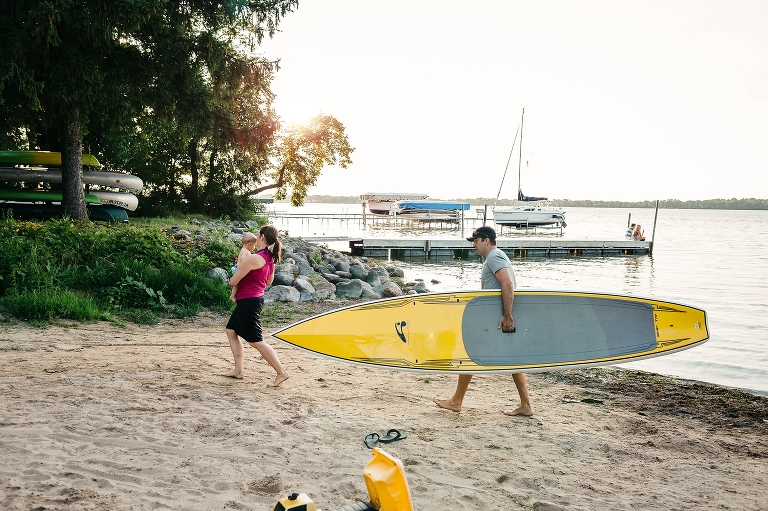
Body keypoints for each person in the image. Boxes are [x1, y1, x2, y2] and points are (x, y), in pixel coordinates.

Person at [433, 226, 533, 417]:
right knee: (513, 359)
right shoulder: (498, 256)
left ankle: (456, 401)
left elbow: (507, 283)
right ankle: (526, 406)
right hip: (496, 318)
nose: (473, 245)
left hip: (494, 320)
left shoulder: (494, 257)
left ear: (486, 240)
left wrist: (508, 315)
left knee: (470, 352)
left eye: (476, 240)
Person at [223, 225, 290, 387]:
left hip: (249, 301)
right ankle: (238, 371)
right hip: (255, 298)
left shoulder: (253, 258)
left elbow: (233, 281)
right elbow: (268, 281)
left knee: (256, 340)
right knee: (231, 330)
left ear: (261, 237)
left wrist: (240, 269)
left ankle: (281, 372)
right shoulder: (270, 257)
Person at [230, 232, 259, 303]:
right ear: (250, 244)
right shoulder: (247, 252)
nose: (254, 247)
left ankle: (234, 295)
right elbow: (244, 259)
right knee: (237, 284)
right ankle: (233, 296)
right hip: (239, 268)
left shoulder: (242, 250)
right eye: (254, 245)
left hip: (236, 267)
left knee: (237, 284)